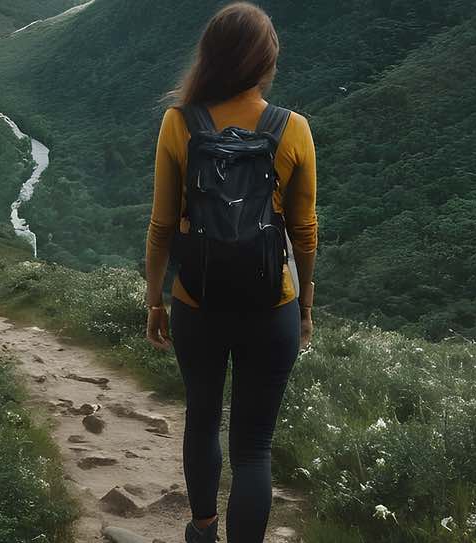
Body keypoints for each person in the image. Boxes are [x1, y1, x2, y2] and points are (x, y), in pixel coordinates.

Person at [144, 3, 318, 542]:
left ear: (210, 57)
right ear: (266, 61)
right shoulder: (292, 129)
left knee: (201, 419)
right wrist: (305, 305)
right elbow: (305, 233)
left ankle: (202, 530)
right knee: (254, 445)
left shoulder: (180, 123)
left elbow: (162, 226)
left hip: (197, 301)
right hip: (272, 306)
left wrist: (155, 300)